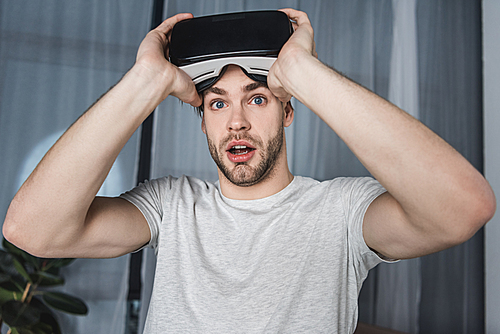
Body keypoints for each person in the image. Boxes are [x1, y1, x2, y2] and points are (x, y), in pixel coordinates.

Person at [3, 8, 496, 333]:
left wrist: (303, 73)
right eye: (217, 103)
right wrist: (145, 80)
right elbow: (32, 231)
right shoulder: (170, 206)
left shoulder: (341, 212)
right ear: (202, 124)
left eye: (257, 99)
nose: (236, 121)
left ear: (289, 111)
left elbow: (463, 208)